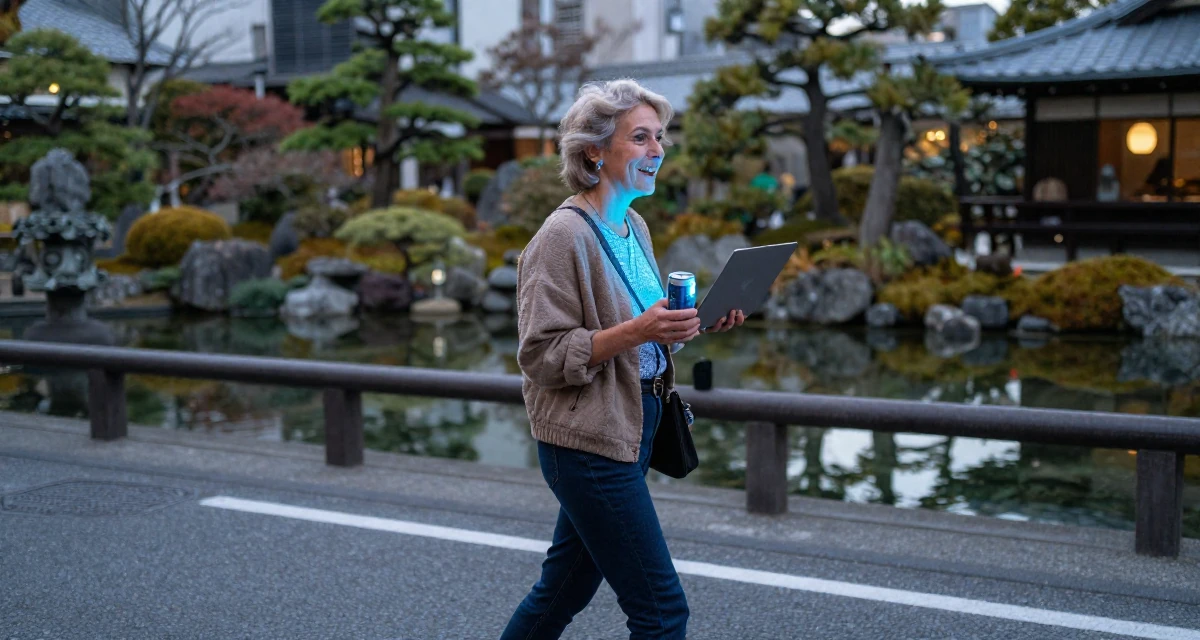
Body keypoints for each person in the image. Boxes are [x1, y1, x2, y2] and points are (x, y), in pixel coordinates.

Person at [500, 79, 744, 640]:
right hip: (586, 440)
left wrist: (692, 323)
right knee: (661, 611)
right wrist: (637, 329)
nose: (658, 150)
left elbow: (646, 340)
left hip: (633, 425)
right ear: (593, 150)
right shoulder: (561, 237)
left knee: (561, 590)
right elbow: (540, 355)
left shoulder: (633, 225)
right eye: (640, 138)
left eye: (660, 137)